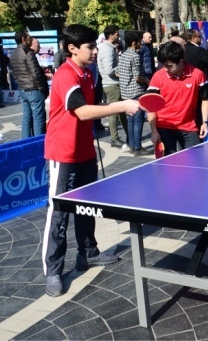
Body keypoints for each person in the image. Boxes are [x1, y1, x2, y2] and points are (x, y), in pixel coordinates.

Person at [43, 24, 141, 297]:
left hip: (85, 151)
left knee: (86, 207)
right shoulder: (65, 75)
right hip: (63, 153)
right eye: (90, 47)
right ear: (72, 48)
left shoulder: (87, 73)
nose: (96, 51)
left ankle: (88, 253)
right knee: (59, 213)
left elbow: (92, 112)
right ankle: (53, 271)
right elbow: (83, 112)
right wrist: (122, 105)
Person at [147, 41, 208, 156]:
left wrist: (204, 122)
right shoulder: (157, 77)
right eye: (163, 65)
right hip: (164, 127)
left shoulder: (198, 75)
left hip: (188, 126)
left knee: (196, 161)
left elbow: (205, 99)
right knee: (168, 166)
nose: (165, 69)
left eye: (169, 66)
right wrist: (154, 131)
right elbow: (151, 106)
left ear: (181, 61)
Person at [9, 30, 49, 137]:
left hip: (22, 89)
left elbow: (14, 75)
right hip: (33, 89)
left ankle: (26, 141)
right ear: (23, 39)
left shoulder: (13, 55)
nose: (30, 40)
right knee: (38, 118)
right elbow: (35, 73)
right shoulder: (28, 53)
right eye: (29, 38)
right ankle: (38, 143)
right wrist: (43, 89)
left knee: (26, 117)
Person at [118, 31, 150, 157]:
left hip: (125, 92)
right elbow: (137, 77)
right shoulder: (135, 56)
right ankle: (137, 147)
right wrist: (147, 80)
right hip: (136, 91)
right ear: (133, 43)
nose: (141, 43)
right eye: (139, 41)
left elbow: (118, 72)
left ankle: (132, 145)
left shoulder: (124, 55)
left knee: (130, 120)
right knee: (138, 120)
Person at [97, 25, 128, 149]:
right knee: (114, 112)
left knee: (121, 111)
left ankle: (128, 135)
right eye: (116, 34)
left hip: (113, 83)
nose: (118, 36)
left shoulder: (109, 48)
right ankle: (114, 138)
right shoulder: (107, 49)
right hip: (111, 84)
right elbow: (109, 69)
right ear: (111, 35)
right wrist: (121, 73)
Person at [183, 29, 208, 119]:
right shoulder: (198, 50)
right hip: (204, 83)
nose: (201, 38)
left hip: (191, 83)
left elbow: (204, 61)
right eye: (199, 36)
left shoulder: (184, 49)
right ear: (193, 38)